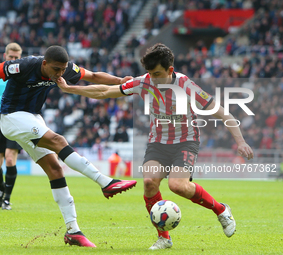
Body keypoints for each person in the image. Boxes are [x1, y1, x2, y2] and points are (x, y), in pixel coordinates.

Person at [56, 43, 254, 249]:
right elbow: (106, 91)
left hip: (186, 141)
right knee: (150, 182)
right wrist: (71, 89)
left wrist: (240, 141)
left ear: (170, 70)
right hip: (157, 143)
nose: (153, 78)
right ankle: (164, 238)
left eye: (157, 73)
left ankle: (221, 210)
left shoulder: (186, 85)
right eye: (149, 73)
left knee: (177, 186)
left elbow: (221, 111)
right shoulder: (145, 82)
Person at [0, 45, 136, 247]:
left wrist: (120, 81)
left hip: (33, 117)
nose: (60, 74)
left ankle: (73, 231)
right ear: (44, 64)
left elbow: (92, 76)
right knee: (58, 141)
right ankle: (105, 182)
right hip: (11, 117)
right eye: (56, 70)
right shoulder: (23, 66)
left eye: (63, 70)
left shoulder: (64, 68)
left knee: (55, 168)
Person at [0, 43, 23, 210]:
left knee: (10, 159)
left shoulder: (24, 75)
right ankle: (2, 189)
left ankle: (7, 199)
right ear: (5, 56)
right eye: (11, 57)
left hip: (15, 117)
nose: (14, 60)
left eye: (17, 58)